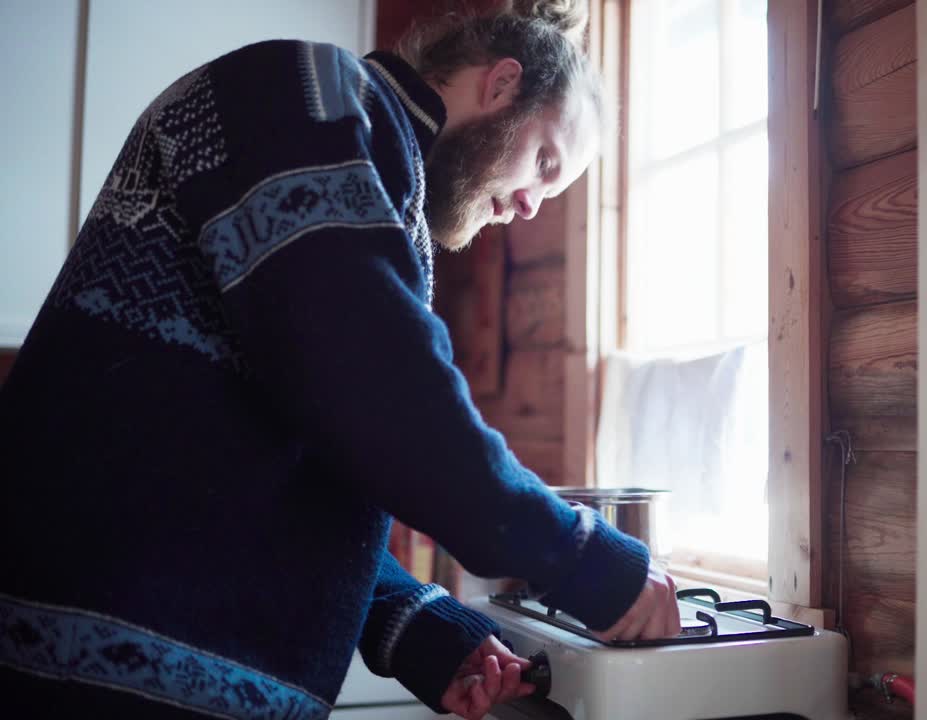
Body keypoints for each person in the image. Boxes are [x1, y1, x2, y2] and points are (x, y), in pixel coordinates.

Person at [0, 4, 679, 719]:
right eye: (545, 162)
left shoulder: (374, 186)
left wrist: (416, 624)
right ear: (501, 85)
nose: (531, 206)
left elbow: (292, 454)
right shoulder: (304, 93)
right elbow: (377, 386)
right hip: (92, 677)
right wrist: (583, 558)